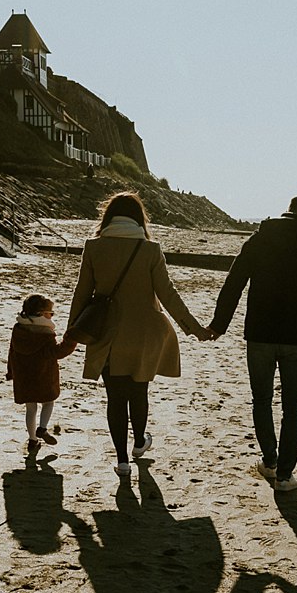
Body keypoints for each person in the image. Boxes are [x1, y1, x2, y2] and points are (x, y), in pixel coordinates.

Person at [69, 192, 214, 479]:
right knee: (139, 391)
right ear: (139, 218)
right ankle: (138, 444)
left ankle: (122, 461)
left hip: (107, 335)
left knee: (115, 397)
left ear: (108, 217)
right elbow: (168, 295)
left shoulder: (94, 248)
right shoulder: (150, 250)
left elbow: (81, 293)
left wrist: (71, 333)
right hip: (145, 335)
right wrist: (194, 328)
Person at [208, 195, 297, 492]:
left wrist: (219, 325)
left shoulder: (259, 240)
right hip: (296, 339)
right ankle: (283, 476)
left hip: (259, 335)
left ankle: (269, 460)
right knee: (292, 409)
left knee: (261, 400)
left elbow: (234, 282)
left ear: (288, 211)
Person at [7, 293, 79, 453]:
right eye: (50, 313)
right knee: (48, 402)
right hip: (43, 376)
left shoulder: (18, 329)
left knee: (30, 408)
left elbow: (11, 351)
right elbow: (57, 352)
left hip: (23, 376)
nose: (51, 316)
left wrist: (10, 371)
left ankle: (33, 440)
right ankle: (43, 428)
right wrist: (71, 339)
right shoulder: (45, 333)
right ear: (41, 314)